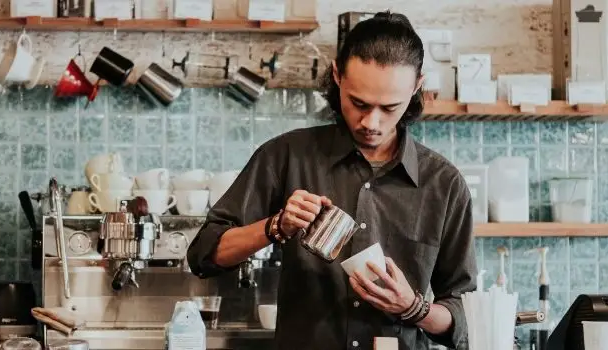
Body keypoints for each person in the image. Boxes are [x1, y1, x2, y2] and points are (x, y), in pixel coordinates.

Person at [185, 11, 478, 350]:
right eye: (359, 103)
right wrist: (275, 226)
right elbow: (205, 253)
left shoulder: (443, 183)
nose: (372, 122)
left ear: (416, 87)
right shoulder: (287, 156)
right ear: (337, 76)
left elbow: (464, 313)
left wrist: (413, 308)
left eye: (390, 107)